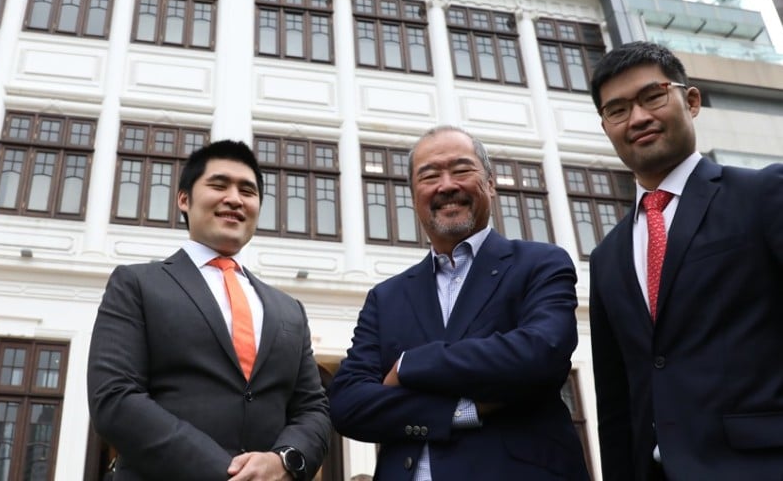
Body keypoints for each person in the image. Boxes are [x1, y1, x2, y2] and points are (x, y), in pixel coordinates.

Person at [329, 126, 589, 480]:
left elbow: (541, 352)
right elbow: (348, 403)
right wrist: (459, 411)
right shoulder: (386, 297)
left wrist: (410, 364)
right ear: (414, 195)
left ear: (491, 184)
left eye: (461, 169)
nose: (446, 185)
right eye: (429, 176)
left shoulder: (540, 264)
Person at [588, 41, 783, 480]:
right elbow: (616, 401)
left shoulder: (762, 195)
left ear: (691, 101)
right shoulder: (607, 257)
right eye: (617, 110)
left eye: (652, 96)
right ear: (606, 127)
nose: (638, 118)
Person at [87, 139, 331, 480]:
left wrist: (282, 461)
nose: (234, 198)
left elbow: (313, 409)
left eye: (247, 190)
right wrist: (229, 473)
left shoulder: (289, 310)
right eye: (219, 185)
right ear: (184, 199)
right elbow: (115, 398)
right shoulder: (136, 284)